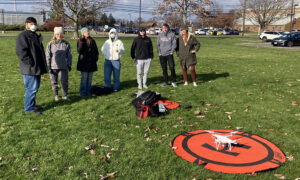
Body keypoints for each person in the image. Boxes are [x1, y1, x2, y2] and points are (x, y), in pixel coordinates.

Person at [16, 17, 48, 114]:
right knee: (32, 88)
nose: (33, 25)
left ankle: (32, 105)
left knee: (33, 88)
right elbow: (21, 52)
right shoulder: (23, 36)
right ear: (26, 25)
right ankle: (29, 109)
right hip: (30, 68)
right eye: (31, 24)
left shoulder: (34, 35)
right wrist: (30, 62)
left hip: (36, 67)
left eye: (34, 24)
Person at [46, 27, 72, 101]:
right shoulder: (50, 44)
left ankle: (64, 95)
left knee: (64, 81)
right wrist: (48, 67)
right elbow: (47, 56)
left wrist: (69, 64)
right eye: (57, 34)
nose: (59, 35)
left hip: (63, 66)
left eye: (60, 34)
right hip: (53, 66)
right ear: (54, 35)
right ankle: (56, 95)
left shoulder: (66, 44)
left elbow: (69, 55)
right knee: (54, 82)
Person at [77, 27, 99, 97]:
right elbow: (79, 51)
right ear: (83, 33)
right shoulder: (80, 40)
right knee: (84, 78)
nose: (88, 32)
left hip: (91, 62)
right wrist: (82, 41)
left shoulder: (92, 40)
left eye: (88, 31)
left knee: (89, 79)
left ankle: (88, 92)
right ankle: (83, 92)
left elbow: (96, 51)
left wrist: (95, 58)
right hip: (84, 63)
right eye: (86, 32)